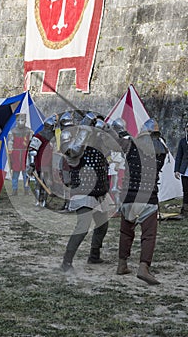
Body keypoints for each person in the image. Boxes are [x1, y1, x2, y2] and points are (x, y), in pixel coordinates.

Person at [116, 118, 168, 285]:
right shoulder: (162, 150)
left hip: (128, 198)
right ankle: (143, 268)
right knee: (149, 236)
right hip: (148, 198)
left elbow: (117, 140)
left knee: (126, 233)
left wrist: (121, 131)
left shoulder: (131, 145)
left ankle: (122, 264)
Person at [59, 111, 111, 272]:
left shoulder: (95, 142)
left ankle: (94, 256)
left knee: (103, 225)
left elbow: (112, 145)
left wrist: (103, 127)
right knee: (83, 226)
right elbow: (73, 151)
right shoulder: (71, 145)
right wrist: (86, 127)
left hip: (100, 189)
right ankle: (66, 262)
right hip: (83, 190)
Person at [26, 114, 57, 207]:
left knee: (47, 183)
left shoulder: (53, 137)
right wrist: (32, 163)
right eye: (52, 127)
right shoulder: (39, 136)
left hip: (49, 163)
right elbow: (32, 150)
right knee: (39, 183)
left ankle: (44, 200)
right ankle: (38, 200)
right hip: (40, 163)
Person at [7, 113, 33, 196]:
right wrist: (10, 149)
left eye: (22, 120)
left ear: (25, 121)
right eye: (19, 120)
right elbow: (10, 141)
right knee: (15, 173)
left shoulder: (29, 131)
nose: (20, 122)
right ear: (16, 121)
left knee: (26, 173)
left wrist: (31, 150)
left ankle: (26, 190)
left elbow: (31, 142)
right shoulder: (13, 131)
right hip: (16, 154)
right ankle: (14, 190)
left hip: (26, 153)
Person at [174, 122, 188, 216]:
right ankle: (186, 210)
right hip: (185, 170)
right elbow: (179, 156)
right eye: (187, 127)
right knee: (185, 190)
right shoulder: (183, 141)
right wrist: (176, 170)